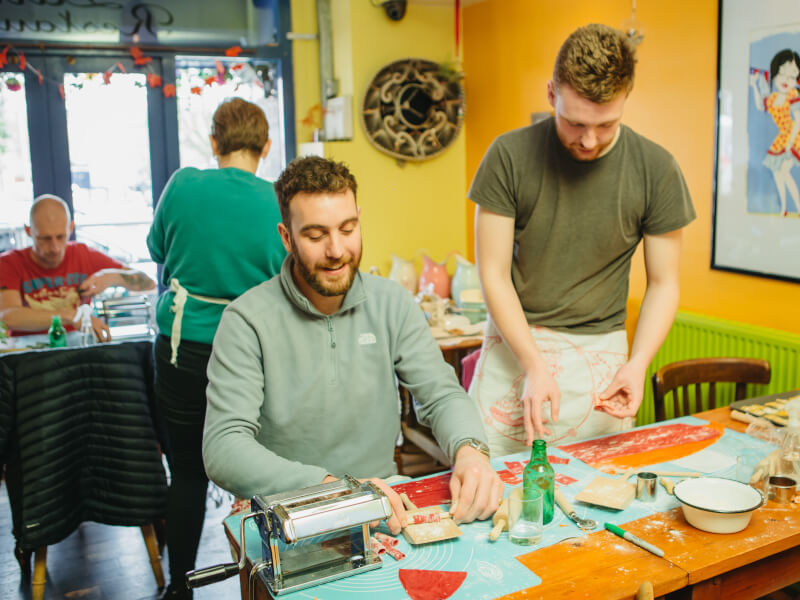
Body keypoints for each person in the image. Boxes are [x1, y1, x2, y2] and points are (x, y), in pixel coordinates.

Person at [203, 156, 504, 535]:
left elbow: (441, 395)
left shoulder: (392, 303)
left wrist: (470, 451)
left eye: (348, 229)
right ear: (286, 236)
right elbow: (224, 448)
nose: (336, 250)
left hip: (384, 507)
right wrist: (335, 490)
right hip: (287, 513)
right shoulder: (246, 320)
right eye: (315, 235)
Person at [468, 24, 696, 456]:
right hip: (516, 345)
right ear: (552, 93)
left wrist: (638, 363)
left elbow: (664, 283)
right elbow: (493, 275)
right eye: (575, 123)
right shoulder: (507, 156)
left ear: (626, 99)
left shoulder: (657, 169)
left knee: (598, 496)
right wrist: (534, 363)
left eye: (606, 125)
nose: (589, 140)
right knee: (492, 488)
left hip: (603, 354)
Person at [146, 97, 286, 600]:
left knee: (185, 472)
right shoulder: (276, 198)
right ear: (265, 146)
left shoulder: (183, 185)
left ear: (214, 142)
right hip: (254, 354)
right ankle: (273, 578)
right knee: (257, 468)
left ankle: (179, 587)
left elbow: (158, 250)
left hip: (184, 350)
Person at [0, 194, 155, 341]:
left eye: (60, 237)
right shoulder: (10, 263)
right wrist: (71, 316)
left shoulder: (83, 254)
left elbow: (149, 283)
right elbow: (8, 317)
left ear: (71, 228)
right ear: (29, 231)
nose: (54, 247)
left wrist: (112, 276)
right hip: (30, 353)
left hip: (78, 349)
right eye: (45, 238)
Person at [750, 49, 800, 217]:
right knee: (777, 173)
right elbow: (760, 106)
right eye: (781, 74)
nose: (786, 80)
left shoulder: (793, 95)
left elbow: (798, 121)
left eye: (792, 76)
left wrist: (789, 143)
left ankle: (798, 207)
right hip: (782, 136)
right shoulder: (773, 98)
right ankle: (784, 208)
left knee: (784, 171)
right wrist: (754, 86)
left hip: (795, 136)